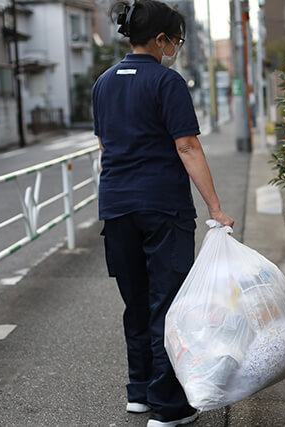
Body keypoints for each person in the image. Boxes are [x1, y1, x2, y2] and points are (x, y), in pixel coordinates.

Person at [92, 1, 234, 426]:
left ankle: (139, 393)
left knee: (135, 302)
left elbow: (104, 145)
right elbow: (187, 146)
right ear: (160, 39)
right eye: (175, 39)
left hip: (116, 205)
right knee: (169, 306)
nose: (175, 46)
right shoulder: (167, 82)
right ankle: (170, 408)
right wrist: (215, 208)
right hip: (162, 206)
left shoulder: (103, 83)